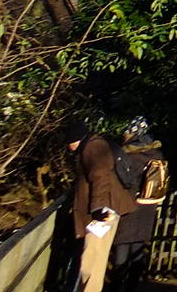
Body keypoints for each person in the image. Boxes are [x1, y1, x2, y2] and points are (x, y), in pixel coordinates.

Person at [65, 121, 135, 292]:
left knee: (92, 260)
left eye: (68, 142)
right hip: (106, 210)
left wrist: (98, 208)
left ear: (75, 139)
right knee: (93, 259)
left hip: (104, 213)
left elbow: (100, 178)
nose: (67, 147)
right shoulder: (92, 146)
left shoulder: (93, 148)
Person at [110, 117, 166, 291]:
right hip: (148, 206)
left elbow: (124, 180)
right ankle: (133, 286)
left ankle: (117, 286)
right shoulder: (157, 153)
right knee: (138, 248)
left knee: (122, 247)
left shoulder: (129, 155)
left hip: (130, 205)